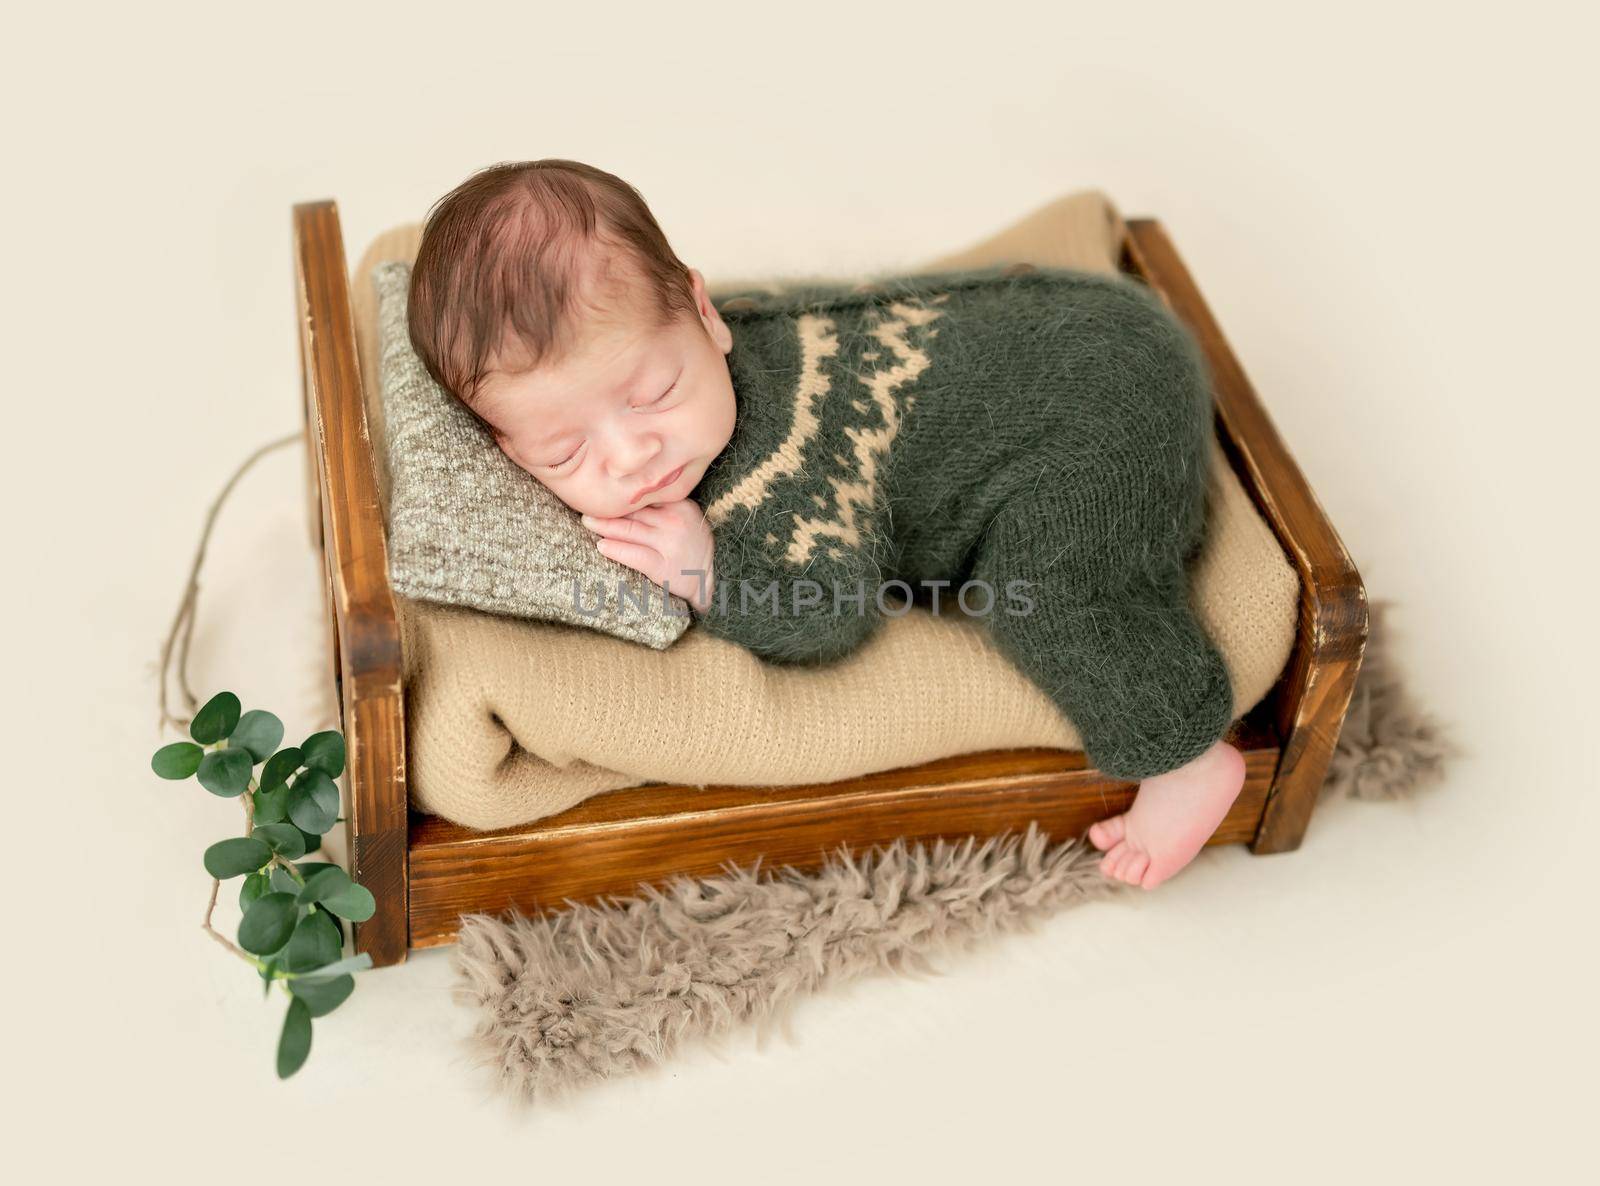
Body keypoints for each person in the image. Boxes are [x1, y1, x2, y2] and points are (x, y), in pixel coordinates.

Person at [406, 158, 1247, 890]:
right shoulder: (692, 355)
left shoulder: (783, 473)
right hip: (1077, 325)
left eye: (655, 394)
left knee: (1047, 594)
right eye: (563, 452)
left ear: (705, 313)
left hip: (1094, 408)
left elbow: (835, 614)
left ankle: (1187, 754)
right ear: (505, 452)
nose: (631, 455)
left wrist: (710, 576)